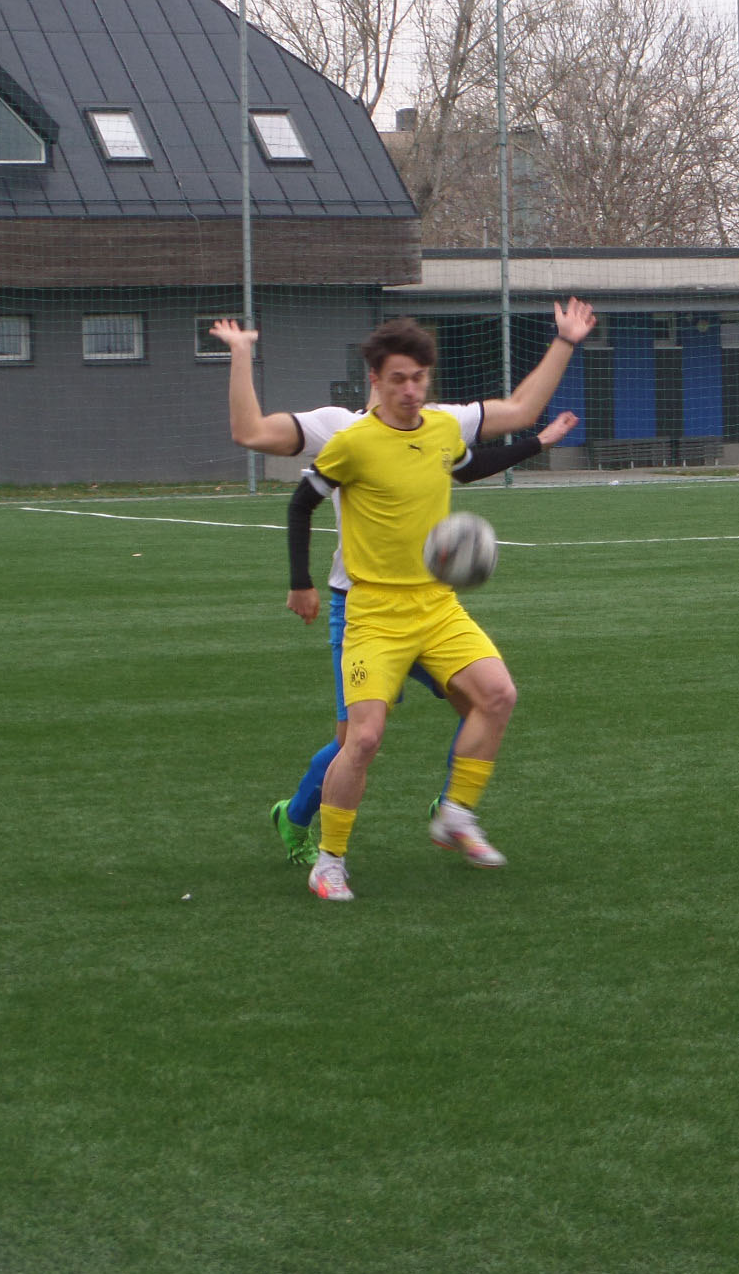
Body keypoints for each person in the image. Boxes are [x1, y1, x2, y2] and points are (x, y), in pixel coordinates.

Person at [215, 317, 577, 865]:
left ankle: (453, 813)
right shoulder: (336, 428)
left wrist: (564, 345)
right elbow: (250, 432)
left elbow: (519, 412)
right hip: (359, 607)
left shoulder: (443, 422)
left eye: (418, 376)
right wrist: (241, 351)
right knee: (354, 740)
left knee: (485, 701)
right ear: (376, 377)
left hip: (430, 603)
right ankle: (296, 817)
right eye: (397, 376)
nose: (409, 388)